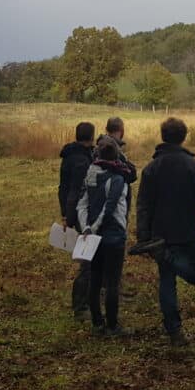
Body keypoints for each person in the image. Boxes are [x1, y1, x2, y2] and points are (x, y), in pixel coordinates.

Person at [130, 118, 195, 347]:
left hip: (160, 235)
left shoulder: (151, 168)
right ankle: (167, 259)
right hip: (187, 230)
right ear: (184, 136)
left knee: (167, 281)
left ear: (163, 136)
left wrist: (143, 236)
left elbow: (143, 205)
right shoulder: (192, 165)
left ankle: (174, 330)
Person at [75, 139, 132, 337]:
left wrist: (86, 228)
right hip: (112, 235)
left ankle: (97, 323)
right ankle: (112, 325)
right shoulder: (117, 178)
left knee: (96, 278)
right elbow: (110, 207)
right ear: (117, 156)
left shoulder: (91, 175)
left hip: (92, 235)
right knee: (112, 282)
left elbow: (82, 204)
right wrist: (95, 228)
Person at [58, 121, 95, 318]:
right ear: (91, 137)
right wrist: (71, 218)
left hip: (72, 211)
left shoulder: (69, 156)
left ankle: (88, 299)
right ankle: (81, 306)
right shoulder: (82, 161)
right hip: (83, 214)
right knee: (88, 260)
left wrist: (64, 212)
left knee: (89, 258)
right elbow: (75, 191)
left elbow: (62, 188)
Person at [102, 116, 138, 183]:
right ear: (122, 130)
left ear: (106, 129)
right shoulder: (114, 148)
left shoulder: (99, 145)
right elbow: (132, 174)